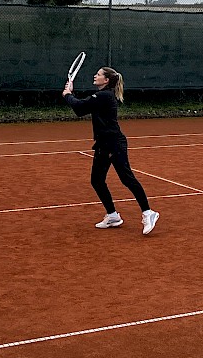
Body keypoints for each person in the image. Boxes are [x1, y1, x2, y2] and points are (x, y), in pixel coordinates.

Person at [63, 66, 160, 235]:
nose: (95, 76)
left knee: (126, 178)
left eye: (99, 74)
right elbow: (82, 107)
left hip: (114, 144)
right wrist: (70, 95)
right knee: (97, 180)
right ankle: (113, 215)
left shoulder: (104, 96)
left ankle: (148, 212)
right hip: (103, 144)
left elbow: (80, 107)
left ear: (106, 80)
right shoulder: (102, 96)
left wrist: (68, 94)